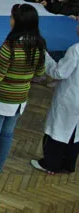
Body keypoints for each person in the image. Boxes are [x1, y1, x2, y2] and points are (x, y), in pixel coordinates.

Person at [0, 4, 46, 184]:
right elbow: (40, 74)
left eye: (12, 17)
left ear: (17, 21)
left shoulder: (9, 46)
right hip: (21, 98)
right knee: (7, 134)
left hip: (1, 97)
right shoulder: (39, 45)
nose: (9, 20)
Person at [31, 25, 79, 174]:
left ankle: (51, 164)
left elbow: (60, 72)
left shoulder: (76, 49)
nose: (76, 26)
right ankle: (69, 164)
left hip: (71, 96)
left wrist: (45, 58)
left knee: (57, 129)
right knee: (75, 132)